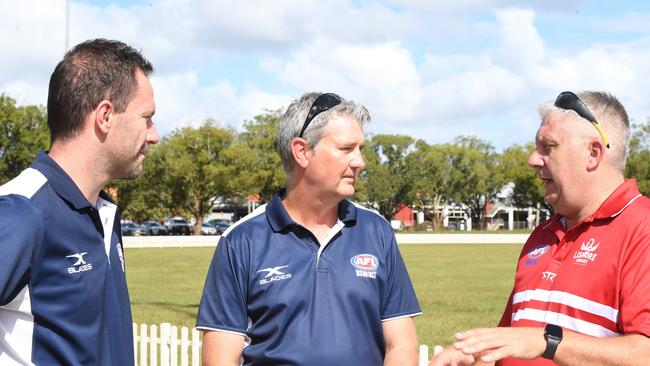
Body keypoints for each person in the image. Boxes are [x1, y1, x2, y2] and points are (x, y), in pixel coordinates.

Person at [197, 92, 422, 365]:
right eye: (346, 149)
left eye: (360, 149)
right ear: (302, 151)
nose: (359, 161)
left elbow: (401, 343)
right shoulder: (241, 241)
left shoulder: (377, 231)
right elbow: (221, 357)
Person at [430, 91, 650, 366]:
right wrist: (475, 355)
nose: (533, 160)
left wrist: (547, 341)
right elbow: (515, 342)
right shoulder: (543, 233)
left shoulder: (642, 227)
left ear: (593, 153)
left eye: (548, 146)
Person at [0, 39, 159, 365]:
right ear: (105, 116)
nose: (154, 134)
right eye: (147, 117)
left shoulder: (103, 214)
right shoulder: (21, 212)